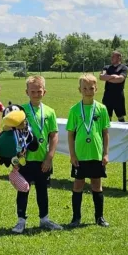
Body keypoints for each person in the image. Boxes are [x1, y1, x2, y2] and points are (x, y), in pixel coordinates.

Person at [12, 76, 63, 234]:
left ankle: (44, 219)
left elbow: (54, 135)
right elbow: (13, 134)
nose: (36, 94)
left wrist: (49, 157)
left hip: (43, 160)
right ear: (26, 92)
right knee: (23, 189)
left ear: (44, 92)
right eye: (32, 91)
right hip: (25, 160)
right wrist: (15, 158)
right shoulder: (20, 110)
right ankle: (21, 220)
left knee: (42, 190)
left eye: (39, 91)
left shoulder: (50, 112)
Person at [67, 74, 110, 228]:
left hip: (96, 154)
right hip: (80, 155)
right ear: (80, 90)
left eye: (91, 88)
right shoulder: (74, 110)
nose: (88, 91)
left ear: (96, 89)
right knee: (78, 185)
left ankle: (99, 217)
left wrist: (105, 153)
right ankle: (76, 218)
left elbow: (105, 133)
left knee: (96, 185)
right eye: (84, 88)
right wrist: (72, 154)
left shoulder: (102, 109)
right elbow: (70, 134)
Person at [99, 51, 128, 122]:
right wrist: (113, 76)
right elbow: (101, 77)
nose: (111, 58)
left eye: (113, 56)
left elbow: (120, 79)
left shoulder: (124, 68)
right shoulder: (106, 67)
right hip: (107, 95)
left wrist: (108, 78)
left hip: (118, 96)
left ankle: (122, 132)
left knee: (120, 117)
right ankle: (107, 132)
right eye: (111, 56)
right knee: (107, 117)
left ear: (119, 58)